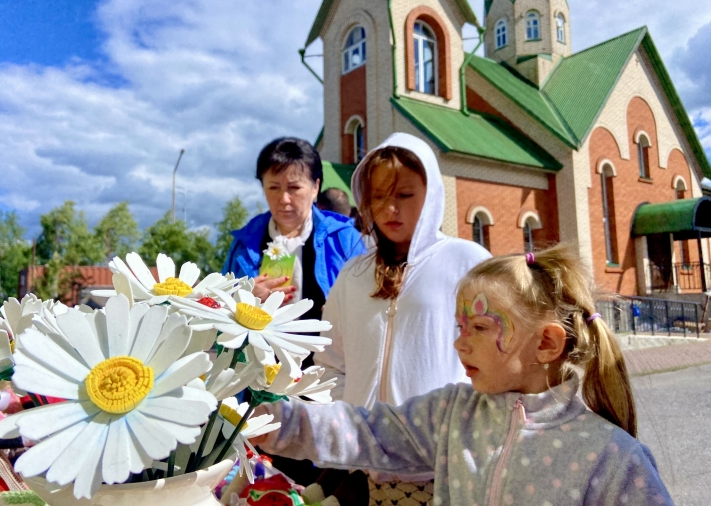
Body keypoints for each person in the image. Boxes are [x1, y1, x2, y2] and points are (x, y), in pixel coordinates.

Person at [255, 244, 674, 505]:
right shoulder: (452, 415)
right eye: (459, 328)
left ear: (546, 344)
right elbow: (365, 432)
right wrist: (276, 422)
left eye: (478, 328)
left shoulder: (611, 458)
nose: (459, 344)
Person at [315, 133, 490, 408]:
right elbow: (330, 365)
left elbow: (495, 357)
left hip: (441, 445)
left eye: (405, 195)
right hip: (363, 446)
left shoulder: (468, 263)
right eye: (379, 196)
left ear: (431, 193)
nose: (391, 209)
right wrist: (349, 427)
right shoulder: (353, 274)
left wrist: (463, 429)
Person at [223, 137, 365, 322]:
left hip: (324, 349)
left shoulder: (345, 240)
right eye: (273, 187)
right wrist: (242, 298)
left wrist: (343, 308)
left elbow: (370, 300)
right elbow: (219, 303)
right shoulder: (244, 244)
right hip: (262, 350)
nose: (284, 199)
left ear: (315, 187)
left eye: (294, 187)